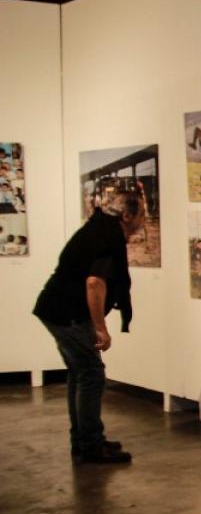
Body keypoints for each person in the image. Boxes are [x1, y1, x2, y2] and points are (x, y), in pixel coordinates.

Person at [33, 191, 145, 464]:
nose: (144, 218)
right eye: (141, 213)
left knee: (80, 372)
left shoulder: (98, 229)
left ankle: (83, 440)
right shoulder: (107, 239)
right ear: (126, 215)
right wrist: (100, 328)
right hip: (67, 314)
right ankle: (91, 445)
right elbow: (94, 283)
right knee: (92, 373)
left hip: (55, 309)